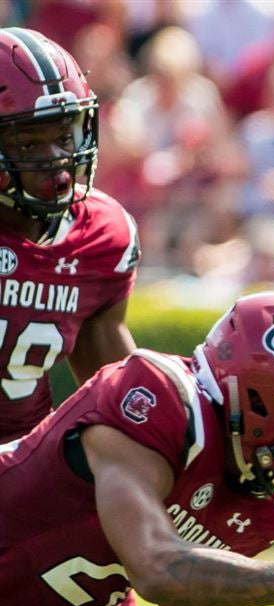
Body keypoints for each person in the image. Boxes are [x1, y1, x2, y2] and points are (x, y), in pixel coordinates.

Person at [0, 291, 274, 606]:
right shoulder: (156, 399)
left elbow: (193, 602)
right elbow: (156, 567)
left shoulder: (260, 503)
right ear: (260, 398)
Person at [0, 27, 140, 444]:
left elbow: (117, 396)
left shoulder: (99, 235)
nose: (57, 161)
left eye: (64, 137)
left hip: (23, 470)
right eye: (28, 144)